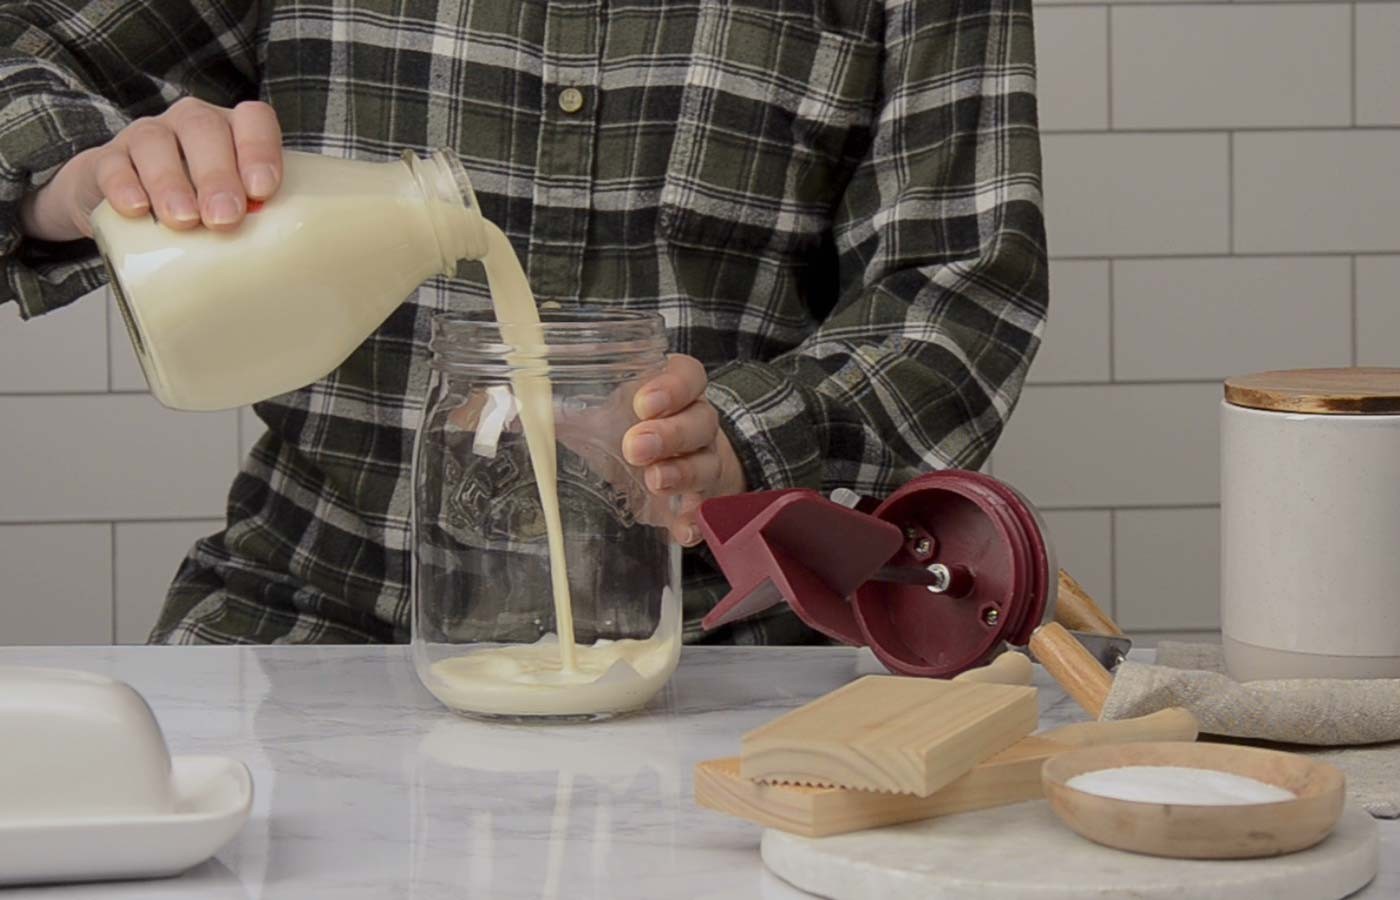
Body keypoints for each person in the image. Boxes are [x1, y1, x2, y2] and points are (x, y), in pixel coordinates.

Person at [0, 0, 1047, 645]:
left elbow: (960, 291)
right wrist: (77, 179)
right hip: (313, 614)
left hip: (731, 645)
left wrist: (743, 440)